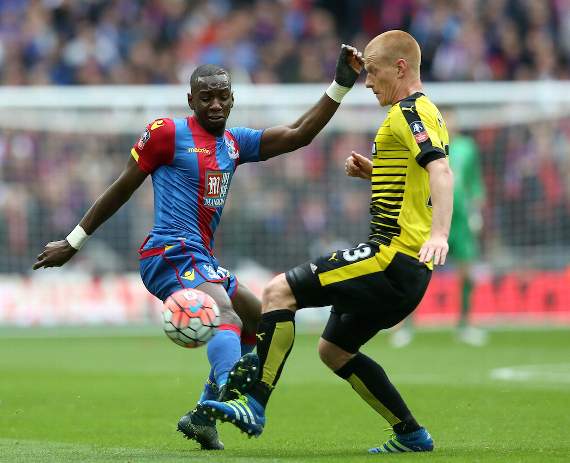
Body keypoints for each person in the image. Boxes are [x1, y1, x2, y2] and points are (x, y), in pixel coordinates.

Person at [32, 47, 363, 450]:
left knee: (261, 321)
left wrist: (341, 82)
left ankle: (205, 414)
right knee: (222, 311)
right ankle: (231, 388)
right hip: (167, 252)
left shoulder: (235, 144)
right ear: (191, 100)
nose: (216, 103)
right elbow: (121, 187)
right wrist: (73, 241)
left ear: (233, 98)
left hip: (201, 258)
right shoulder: (167, 134)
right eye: (206, 96)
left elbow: (298, 135)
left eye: (223, 95)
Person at [199, 30, 453, 454]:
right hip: (406, 271)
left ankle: (254, 404)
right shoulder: (422, 113)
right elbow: (417, 178)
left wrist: (440, 233)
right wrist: (376, 173)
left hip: (392, 258)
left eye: (373, 72)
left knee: (278, 291)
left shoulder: (410, 112)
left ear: (400, 67)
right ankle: (410, 433)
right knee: (334, 350)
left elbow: (440, 171)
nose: (368, 82)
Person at [390, 111, 487, 348]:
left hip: (461, 220)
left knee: (466, 272)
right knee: (417, 271)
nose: (449, 123)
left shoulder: (467, 147)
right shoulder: (427, 146)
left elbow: (474, 183)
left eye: (451, 119)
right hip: (431, 218)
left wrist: (477, 211)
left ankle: (464, 325)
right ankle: (408, 326)